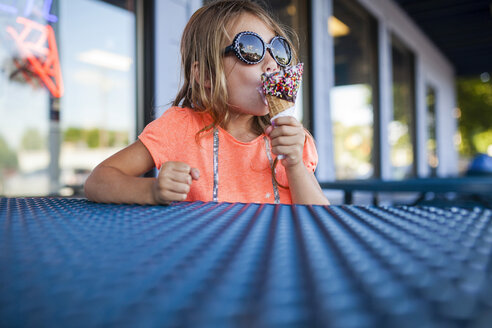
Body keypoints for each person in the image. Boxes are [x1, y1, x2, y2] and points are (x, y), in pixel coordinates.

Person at [84, 0, 329, 205]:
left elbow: (321, 219)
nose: (272, 64)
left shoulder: (293, 141)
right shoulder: (180, 129)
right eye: (251, 49)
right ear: (206, 76)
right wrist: (152, 190)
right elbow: (99, 180)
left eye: (278, 49)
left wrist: (295, 163)